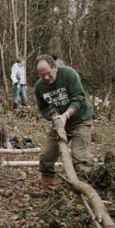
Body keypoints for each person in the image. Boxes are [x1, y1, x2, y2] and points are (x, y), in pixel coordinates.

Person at [35, 55, 93, 187]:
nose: (45, 78)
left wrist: (66, 115)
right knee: (46, 155)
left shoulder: (69, 75)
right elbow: (43, 109)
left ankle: (84, 186)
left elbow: (79, 98)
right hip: (59, 123)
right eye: (41, 75)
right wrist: (53, 115)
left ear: (55, 67)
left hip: (81, 120)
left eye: (48, 73)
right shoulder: (39, 87)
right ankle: (48, 181)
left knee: (80, 158)